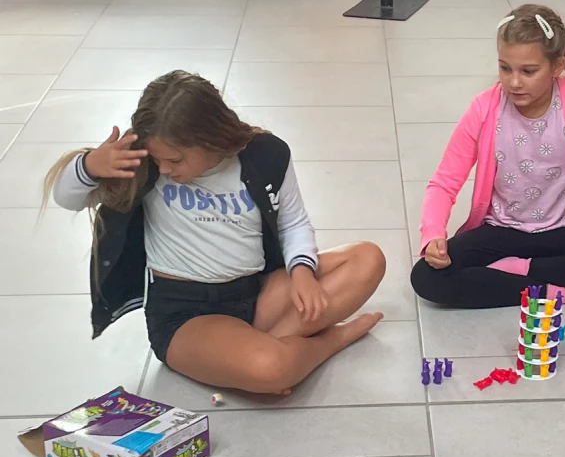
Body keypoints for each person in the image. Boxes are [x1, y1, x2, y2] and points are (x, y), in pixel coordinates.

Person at [44, 70, 386, 395]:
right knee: (271, 368)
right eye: (159, 160)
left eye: (175, 160)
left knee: (367, 258)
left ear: (209, 140)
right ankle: (328, 341)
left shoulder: (265, 154)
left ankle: (262, 355)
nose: (165, 169)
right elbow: (66, 197)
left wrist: (302, 273)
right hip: (188, 316)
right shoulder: (145, 165)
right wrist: (89, 166)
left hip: (257, 293)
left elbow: (293, 223)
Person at [409, 4, 565, 312]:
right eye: (505, 68)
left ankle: (518, 271)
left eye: (528, 71)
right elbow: (444, 182)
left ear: (557, 66)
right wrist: (433, 235)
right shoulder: (484, 108)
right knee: (426, 277)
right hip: (503, 231)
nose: (514, 82)